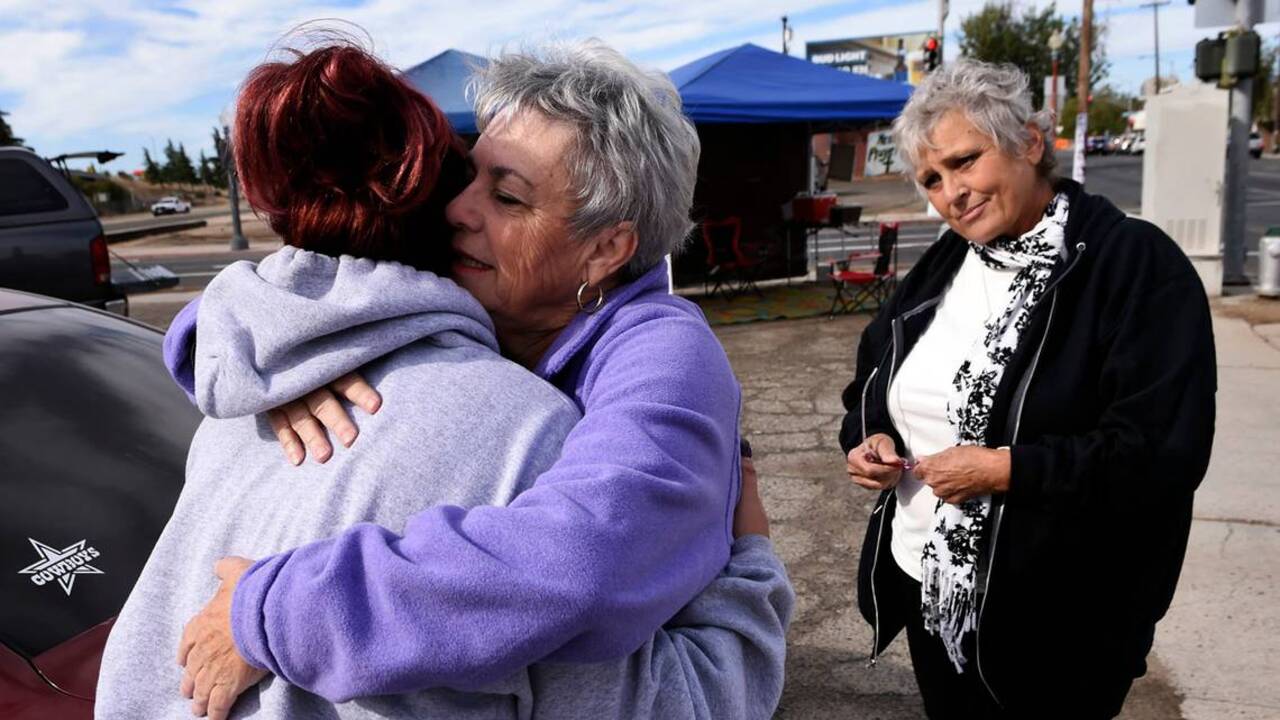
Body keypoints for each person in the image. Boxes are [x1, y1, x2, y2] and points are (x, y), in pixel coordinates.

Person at [99, 39, 792, 719]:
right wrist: (290, 361)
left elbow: (582, 564)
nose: (459, 209)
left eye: (508, 198)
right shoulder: (494, 309)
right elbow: (275, 294)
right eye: (469, 175)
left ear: (606, 248)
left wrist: (275, 612)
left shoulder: (666, 355)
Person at [839, 59, 1216, 719]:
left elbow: (1162, 452)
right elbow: (874, 379)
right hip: (934, 592)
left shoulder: (1132, 265)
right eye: (932, 178)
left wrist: (1005, 470)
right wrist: (869, 438)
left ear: (1029, 143)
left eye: (964, 162)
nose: (951, 192)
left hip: (1061, 618)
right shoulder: (942, 266)